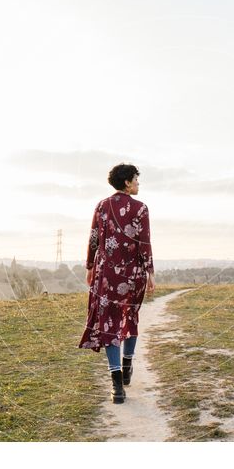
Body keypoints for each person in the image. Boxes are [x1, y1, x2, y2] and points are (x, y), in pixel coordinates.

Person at [78, 163, 155, 403]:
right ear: (127, 183)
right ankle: (127, 364)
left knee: (109, 323)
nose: (138, 184)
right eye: (136, 180)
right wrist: (150, 272)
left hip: (106, 274)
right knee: (129, 317)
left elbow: (94, 239)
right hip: (133, 274)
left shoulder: (102, 206)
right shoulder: (141, 208)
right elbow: (144, 243)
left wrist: (90, 267)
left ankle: (116, 386)